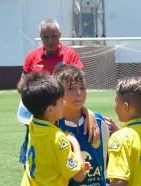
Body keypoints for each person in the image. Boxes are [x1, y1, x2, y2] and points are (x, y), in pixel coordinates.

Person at [16, 18, 98, 164]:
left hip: (63, 117)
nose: (50, 40)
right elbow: (21, 85)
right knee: (35, 157)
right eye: (45, 37)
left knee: (63, 156)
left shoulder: (70, 55)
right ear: (40, 37)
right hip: (40, 117)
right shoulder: (32, 57)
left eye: (53, 36)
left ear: (60, 35)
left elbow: (79, 83)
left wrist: (86, 110)